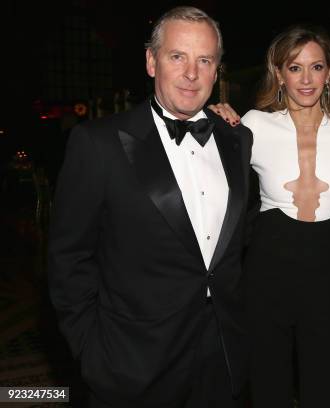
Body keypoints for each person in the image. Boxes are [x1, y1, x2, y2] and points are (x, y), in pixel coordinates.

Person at [47, 7, 252, 407]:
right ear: (151, 61)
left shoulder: (236, 140)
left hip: (221, 361)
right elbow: (68, 260)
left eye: (204, 60)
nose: (192, 73)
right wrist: (92, 354)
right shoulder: (98, 143)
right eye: (178, 57)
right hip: (132, 366)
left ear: (217, 71)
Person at [209, 27, 330, 408]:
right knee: (268, 387)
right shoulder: (253, 124)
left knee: (322, 389)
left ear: (329, 72)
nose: (306, 79)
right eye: (295, 67)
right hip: (267, 269)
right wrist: (215, 115)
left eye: (316, 67)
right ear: (279, 72)